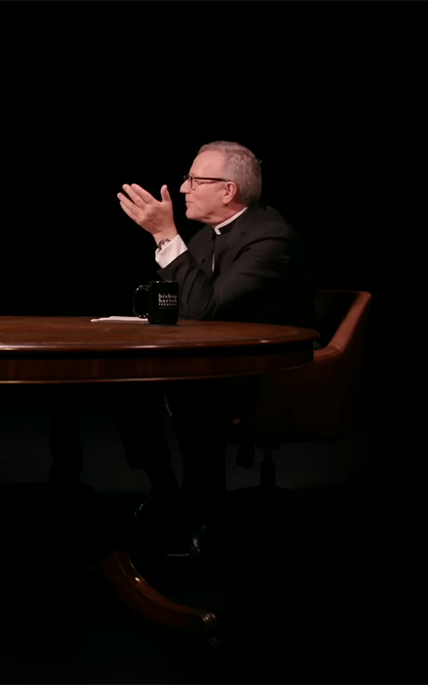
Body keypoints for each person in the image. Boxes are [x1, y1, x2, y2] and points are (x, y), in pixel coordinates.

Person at [109, 141, 315, 554]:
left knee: (194, 391)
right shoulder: (207, 238)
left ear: (228, 190)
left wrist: (166, 235)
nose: (184, 188)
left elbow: (205, 308)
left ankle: (202, 513)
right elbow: (184, 302)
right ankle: (168, 494)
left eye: (194, 179)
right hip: (221, 366)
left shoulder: (270, 237)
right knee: (122, 382)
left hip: (273, 377)